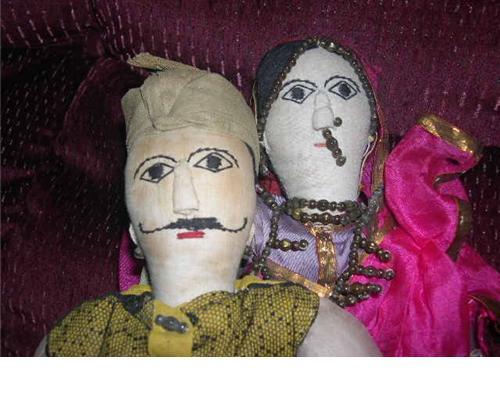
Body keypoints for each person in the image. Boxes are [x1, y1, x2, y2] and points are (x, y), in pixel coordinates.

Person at [37, 55, 381, 357]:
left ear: (254, 218)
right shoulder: (85, 334)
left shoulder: (295, 319)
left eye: (214, 164)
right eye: (156, 172)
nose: (185, 202)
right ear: (133, 231)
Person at [250, 37, 500, 356]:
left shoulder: (410, 257)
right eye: (297, 95)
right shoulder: (247, 225)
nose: (323, 120)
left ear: (372, 130)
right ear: (262, 136)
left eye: (343, 90)